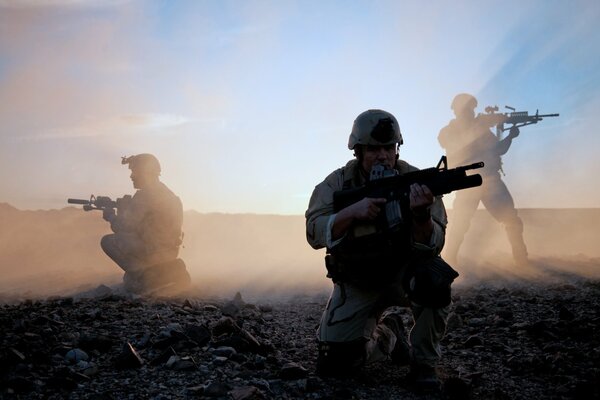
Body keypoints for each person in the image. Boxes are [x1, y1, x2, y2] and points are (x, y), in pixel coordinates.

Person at [305, 109, 452, 391]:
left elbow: (435, 244)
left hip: (405, 276)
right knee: (335, 363)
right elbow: (313, 232)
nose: (382, 155)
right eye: (373, 149)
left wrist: (421, 217)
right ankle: (389, 335)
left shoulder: (417, 181)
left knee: (434, 280)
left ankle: (424, 363)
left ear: (397, 149)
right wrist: (351, 213)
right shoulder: (337, 183)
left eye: (389, 147)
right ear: (358, 152)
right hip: (360, 279)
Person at [438, 93, 528, 265]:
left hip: (489, 180)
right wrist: (480, 128)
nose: (470, 112)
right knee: (459, 224)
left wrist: (508, 135)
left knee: (510, 218)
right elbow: (454, 144)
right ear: (457, 111)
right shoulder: (449, 131)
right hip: (468, 181)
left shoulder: (481, 129)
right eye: (467, 109)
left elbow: (499, 149)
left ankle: (521, 258)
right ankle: (449, 259)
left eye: (472, 109)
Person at [100, 153, 190, 294]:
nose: (132, 176)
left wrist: (111, 216)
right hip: (169, 251)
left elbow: (124, 227)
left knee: (107, 241)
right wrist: (126, 209)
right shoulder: (167, 193)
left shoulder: (145, 195)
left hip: (153, 250)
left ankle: (149, 278)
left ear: (145, 173)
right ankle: (167, 270)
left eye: (134, 172)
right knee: (128, 278)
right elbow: (147, 224)